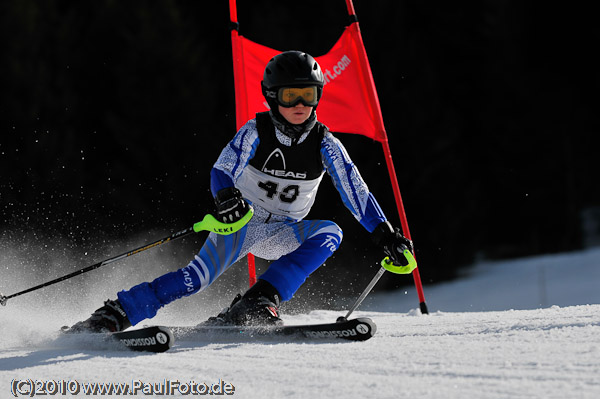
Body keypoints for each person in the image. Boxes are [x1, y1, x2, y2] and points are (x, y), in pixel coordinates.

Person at [68, 50, 412, 333]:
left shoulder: (326, 143)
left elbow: (355, 190)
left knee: (330, 232)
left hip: (283, 232)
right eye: (291, 95)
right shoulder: (256, 130)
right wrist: (226, 198)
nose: (300, 104)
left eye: (308, 94)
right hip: (240, 224)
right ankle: (115, 314)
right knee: (195, 279)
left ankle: (259, 300)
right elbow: (223, 169)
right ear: (273, 97)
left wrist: (385, 235)